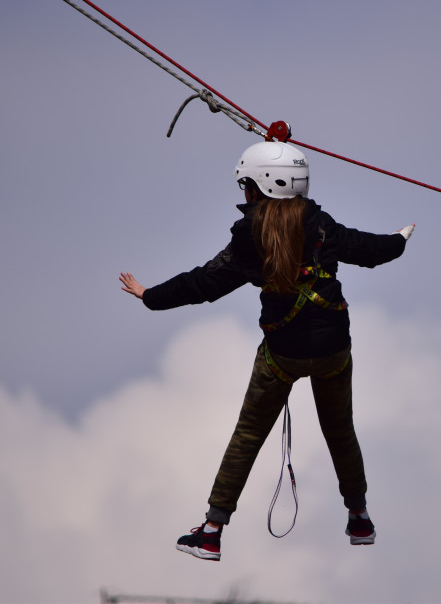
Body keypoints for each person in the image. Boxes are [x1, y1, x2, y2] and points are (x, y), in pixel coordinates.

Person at [120, 140, 414, 561]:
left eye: (247, 186)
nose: (245, 194)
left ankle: (211, 531)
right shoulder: (321, 224)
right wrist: (401, 239)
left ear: (258, 186)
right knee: (340, 432)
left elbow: (204, 283)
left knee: (248, 435)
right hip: (333, 350)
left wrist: (151, 296)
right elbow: (372, 251)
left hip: (283, 353)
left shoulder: (248, 236)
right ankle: (360, 518)